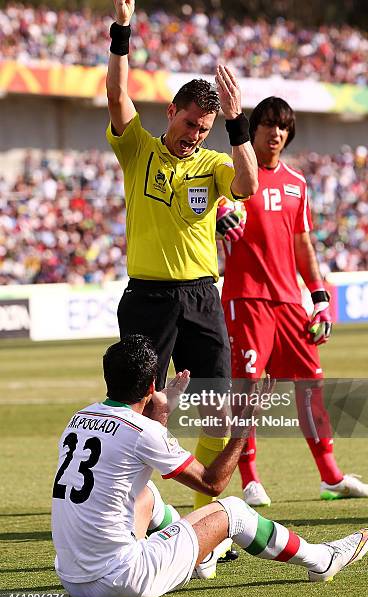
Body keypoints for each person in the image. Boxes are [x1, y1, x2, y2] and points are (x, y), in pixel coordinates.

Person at [51, 334, 368, 597]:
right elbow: (212, 483)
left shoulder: (78, 419)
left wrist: (163, 413)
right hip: (125, 578)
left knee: (146, 493)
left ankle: (202, 557)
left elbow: (132, 447)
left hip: (73, 581)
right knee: (233, 509)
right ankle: (322, 560)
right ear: (152, 385)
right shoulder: (142, 431)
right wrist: (245, 425)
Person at [105, 0, 258, 514]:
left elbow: (247, 184)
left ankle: (203, 523)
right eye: (191, 123)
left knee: (214, 401)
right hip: (146, 297)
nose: (196, 135)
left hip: (199, 295)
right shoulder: (139, 150)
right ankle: (136, 506)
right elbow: (117, 94)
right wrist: (122, 30)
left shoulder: (215, 161)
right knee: (140, 407)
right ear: (171, 112)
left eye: (205, 128)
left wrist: (237, 125)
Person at [221, 97, 368, 506]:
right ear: (253, 128)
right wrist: (218, 220)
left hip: (289, 300)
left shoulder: (297, 182)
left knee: (311, 384)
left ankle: (331, 477)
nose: (276, 133)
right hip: (246, 295)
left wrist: (319, 298)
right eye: (269, 125)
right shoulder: (231, 173)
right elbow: (209, 211)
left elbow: (302, 243)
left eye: (284, 127)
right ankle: (250, 479)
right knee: (249, 388)